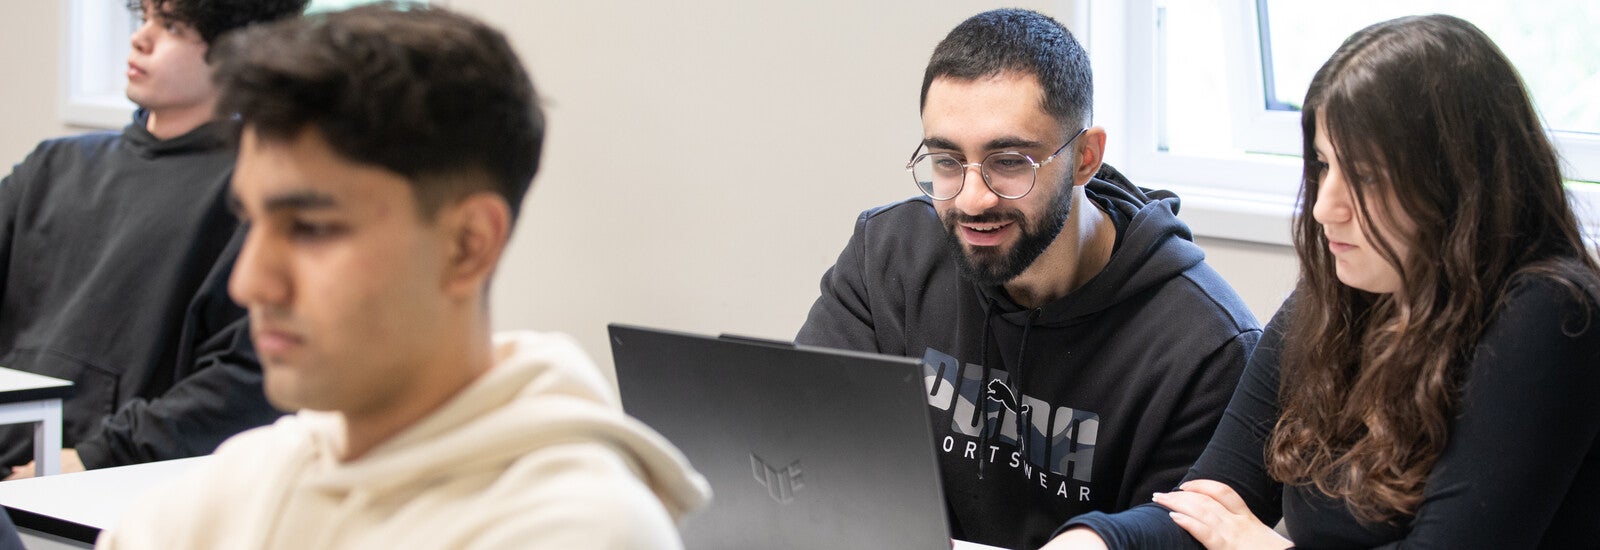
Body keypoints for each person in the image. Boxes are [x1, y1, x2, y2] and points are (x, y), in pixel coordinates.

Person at [95, 5, 710, 549]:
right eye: (252, 221)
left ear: (468, 245)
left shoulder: (578, 530)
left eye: (310, 229)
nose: (251, 283)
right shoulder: (255, 473)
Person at [1051, 14, 1600, 549]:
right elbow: (1209, 505)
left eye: (1363, 177)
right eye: (1322, 166)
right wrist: (1095, 537)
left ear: (1459, 184)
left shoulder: (1552, 314)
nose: (1324, 208)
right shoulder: (1339, 296)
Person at [796, 9, 1261, 549]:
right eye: (947, 161)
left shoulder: (1206, 347)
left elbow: (1174, 541)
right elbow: (803, 444)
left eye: (1009, 161)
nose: (972, 198)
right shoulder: (889, 255)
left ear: (1085, 157)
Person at [0, 0, 306, 476]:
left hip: (109, 485)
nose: (141, 38)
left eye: (173, 27)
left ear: (242, 49)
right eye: (143, 17)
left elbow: (247, 376)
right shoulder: (53, 165)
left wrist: (92, 459)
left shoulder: (262, 193)